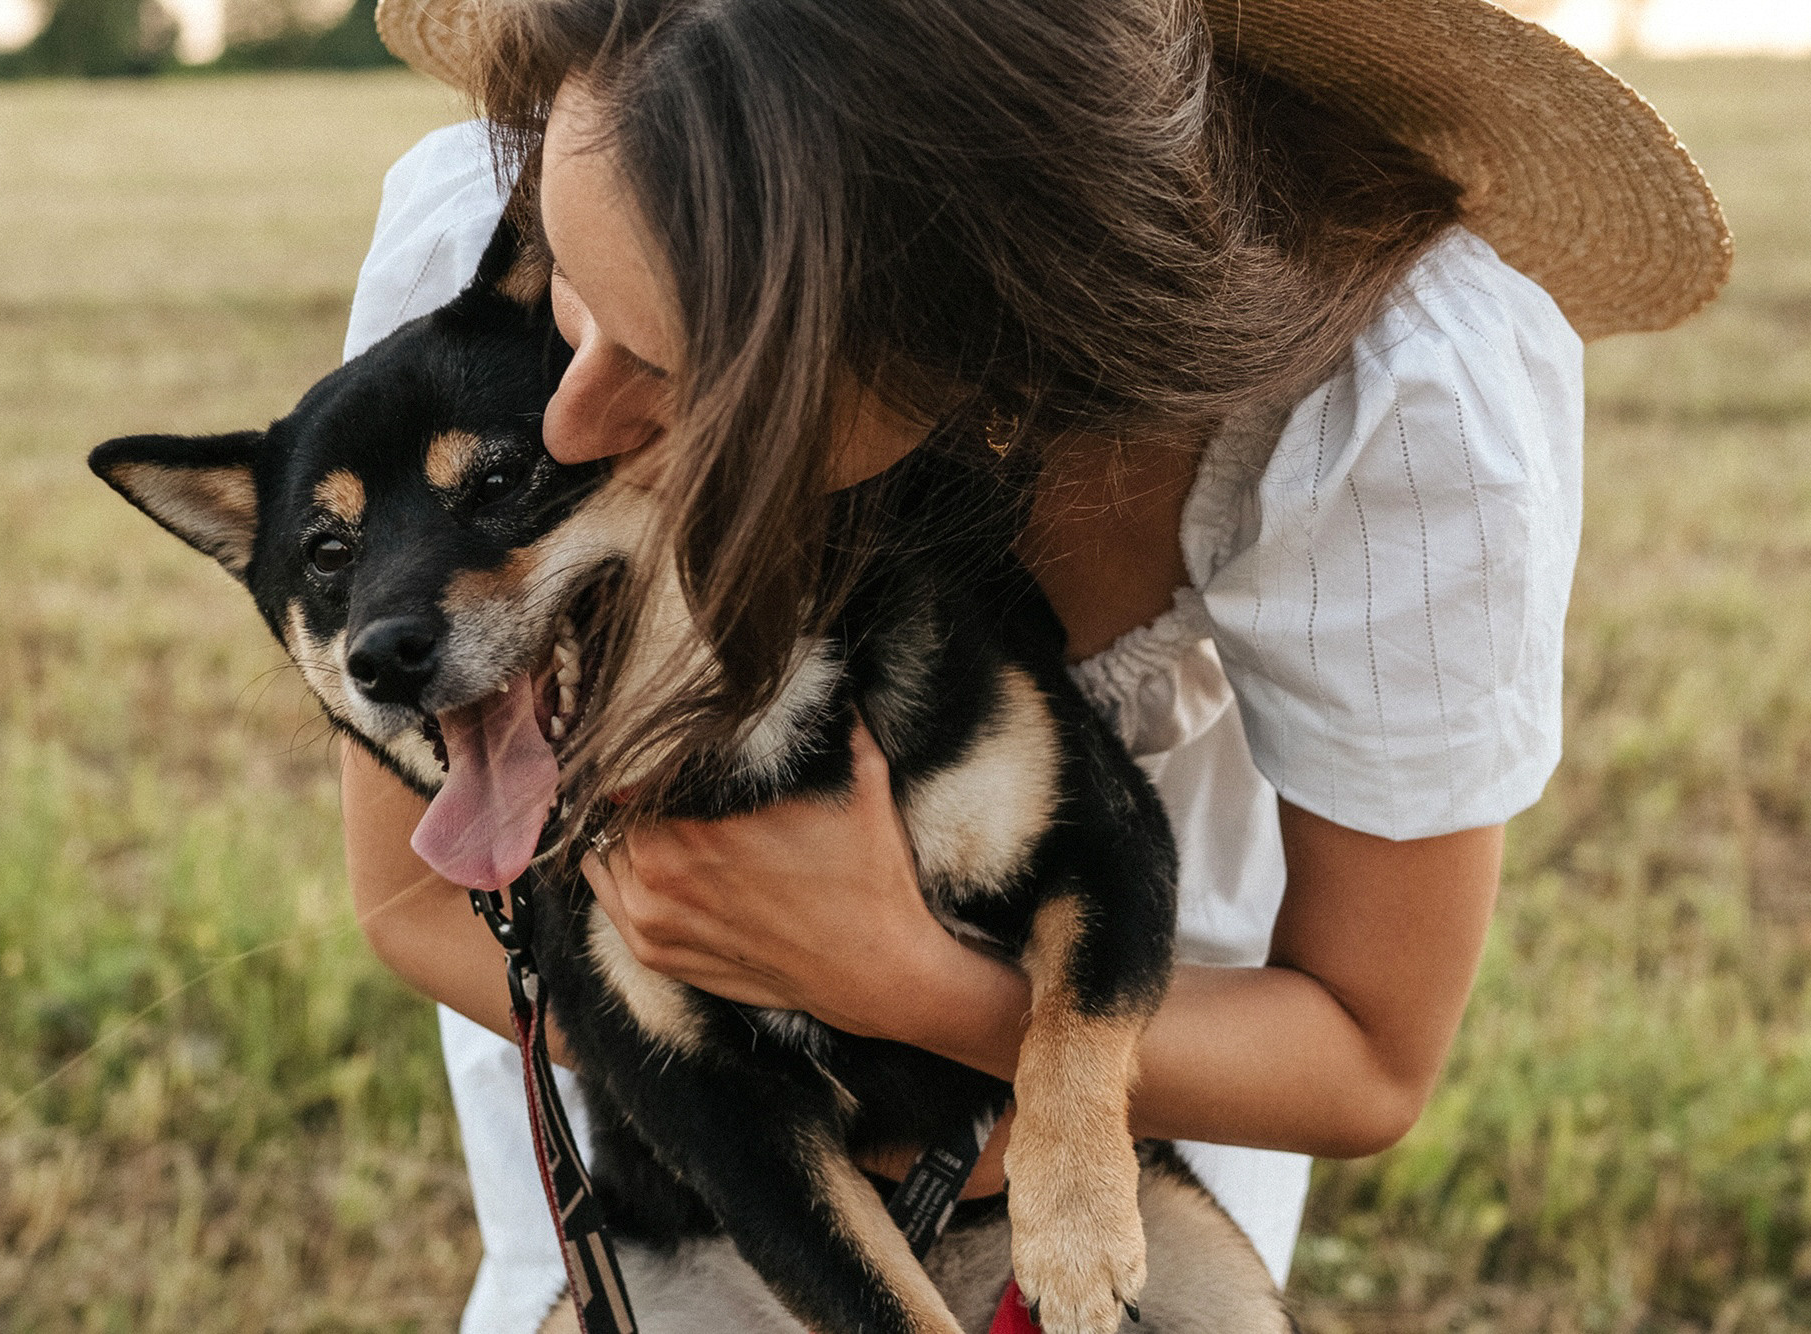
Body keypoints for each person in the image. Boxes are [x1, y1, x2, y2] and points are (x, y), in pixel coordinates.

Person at [335, 0, 1730, 1328]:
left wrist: (910, 996)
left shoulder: (1400, 400)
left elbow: (1366, 1050)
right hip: (657, 1130)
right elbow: (411, 897)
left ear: (1000, 372)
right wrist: (756, 1106)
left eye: (683, 368)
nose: (572, 419)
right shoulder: (501, 216)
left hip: (1155, 1076)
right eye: (574, 297)